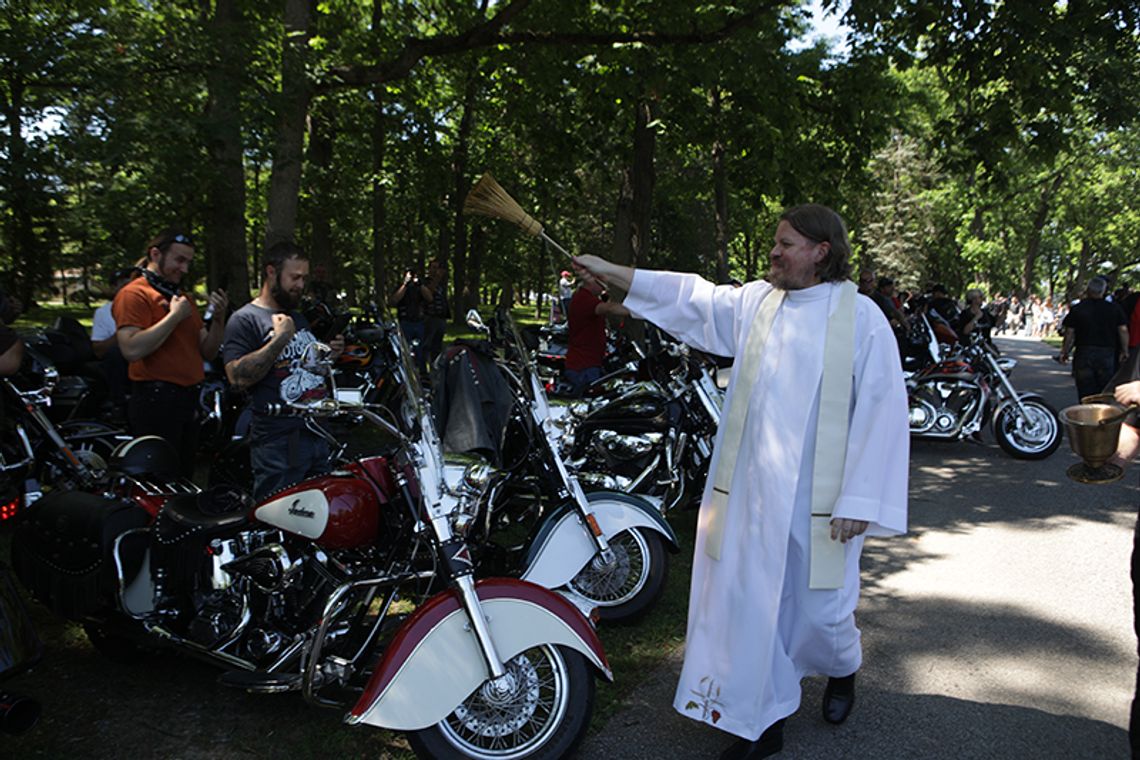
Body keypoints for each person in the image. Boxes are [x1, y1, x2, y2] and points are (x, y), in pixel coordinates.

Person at [573, 204, 908, 759]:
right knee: (756, 606)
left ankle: (843, 667)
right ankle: (762, 721)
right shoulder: (760, 303)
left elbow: (883, 410)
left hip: (821, 500)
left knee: (823, 614)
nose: (773, 252)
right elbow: (692, 299)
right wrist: (616, 274)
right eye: (775, 243)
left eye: (785, 244)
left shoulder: (862, 317)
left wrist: (862, 497)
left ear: (821, 251)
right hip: (752, 492)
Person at [223, 241, 344, 501]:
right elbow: (237, 377)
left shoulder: (297, 317)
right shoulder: (245, 319)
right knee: (277, 514)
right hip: (278, 441)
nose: (301, 285)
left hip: (315, 433)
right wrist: (279, 340)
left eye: (304, 278)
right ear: (271, 272)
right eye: (294, 277)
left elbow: (304, 369)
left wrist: (327, 355)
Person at [113, 229, 228, 474]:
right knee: (158, 477)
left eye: (188, 262)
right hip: (156, 400)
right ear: (155, 254)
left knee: (183, 473)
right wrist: (174, 317)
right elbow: (131, 349)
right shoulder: (134, 294)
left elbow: (207, 351)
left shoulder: (181, 298)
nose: (184, 269)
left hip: (188, 400)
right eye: (179, 260)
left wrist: (219, 320)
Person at [1058, 276, 1128, 401]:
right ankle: (1100, 414)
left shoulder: (1078, 308)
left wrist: (1065, 351)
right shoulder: (1114, 308)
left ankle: (1086, 414)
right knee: (1103, 389)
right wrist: (1124, 350)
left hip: (1084, 351)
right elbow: (1123, 330)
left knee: (1085, 389)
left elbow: (1069, 332)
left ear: (1088, 290)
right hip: (1107, 352)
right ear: (1103, 291)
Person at [563, 268, 629, 396]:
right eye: (601, 286)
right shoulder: (584, 300)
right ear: (591, 283)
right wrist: (641, 311)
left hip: (587, 363)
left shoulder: (584, 297)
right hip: (584, 366)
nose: (603, 290)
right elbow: (609, 308)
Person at [91, 267, 137, 418]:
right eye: (122, 285)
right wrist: (124, 332)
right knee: (114, 353)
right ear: (113, 288)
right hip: (122, 363)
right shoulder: (103, 313)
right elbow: (98, 351)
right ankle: (120, 403)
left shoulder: (149, 307)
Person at [393, 266, 432, 376]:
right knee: (405, 349)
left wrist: (420, 284)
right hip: (405, 321)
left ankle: (423, 373)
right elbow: (395, 299)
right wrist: (405, 284)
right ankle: (405, 372)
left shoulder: (420, 286)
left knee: (421, 350)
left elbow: (429, 298)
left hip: (419, 322)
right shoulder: (401, 286)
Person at [422, 258, 450, 367]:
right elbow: (428, 293)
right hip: (429, 317)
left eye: (437, 268)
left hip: (440, 317)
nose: (435, 270)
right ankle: (424, 366)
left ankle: (436, 365)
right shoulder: (425, 282)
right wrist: (437, 278)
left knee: (438, 345)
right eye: (433, 268)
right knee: (427, 344)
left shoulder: (441, 285)